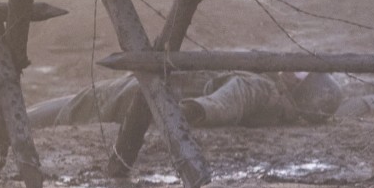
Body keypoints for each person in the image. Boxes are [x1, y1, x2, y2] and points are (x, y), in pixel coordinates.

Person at [31, 71, 341, 129]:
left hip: (144, 94)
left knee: (66, 110)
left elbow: (233, 97)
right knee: (67, 107)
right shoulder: (278, 105)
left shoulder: (263, 89)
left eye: (296, 76)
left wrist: (193, 110)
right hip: (151, 94)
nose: (287, 71)